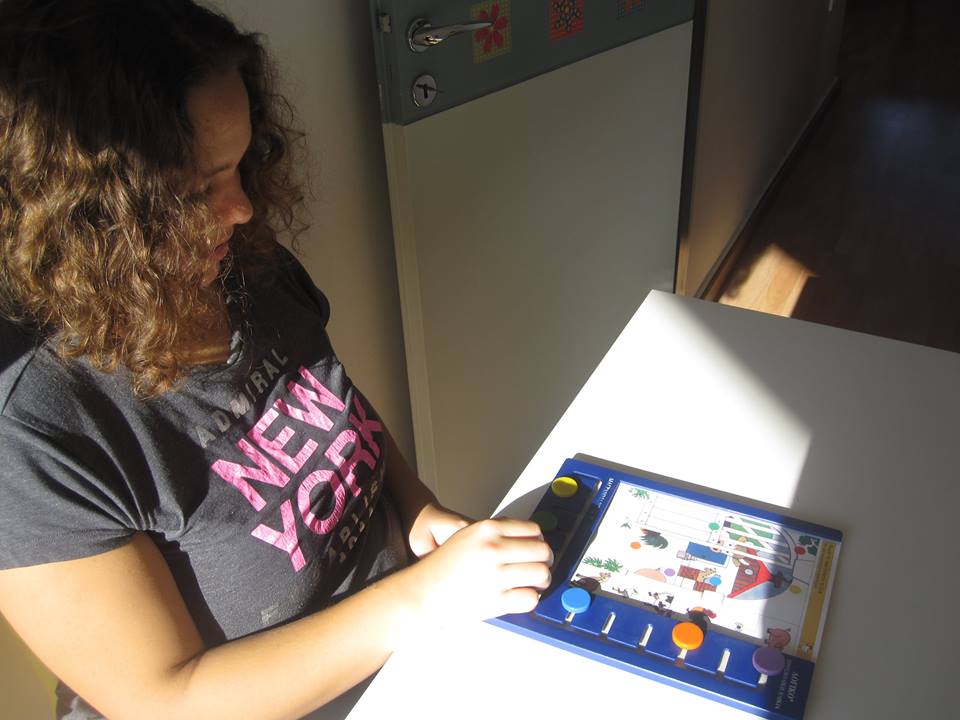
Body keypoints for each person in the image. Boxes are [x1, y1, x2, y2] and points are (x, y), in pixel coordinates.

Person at [0, 1, 553, 718]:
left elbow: (334, 407)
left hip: (403, 648)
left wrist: (418, 512)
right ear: (92, 214)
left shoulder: (236, 267)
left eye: (238, 166)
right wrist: (423, 597)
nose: (242, 209)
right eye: (198, 189)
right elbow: (168, 701)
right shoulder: (34, 432)